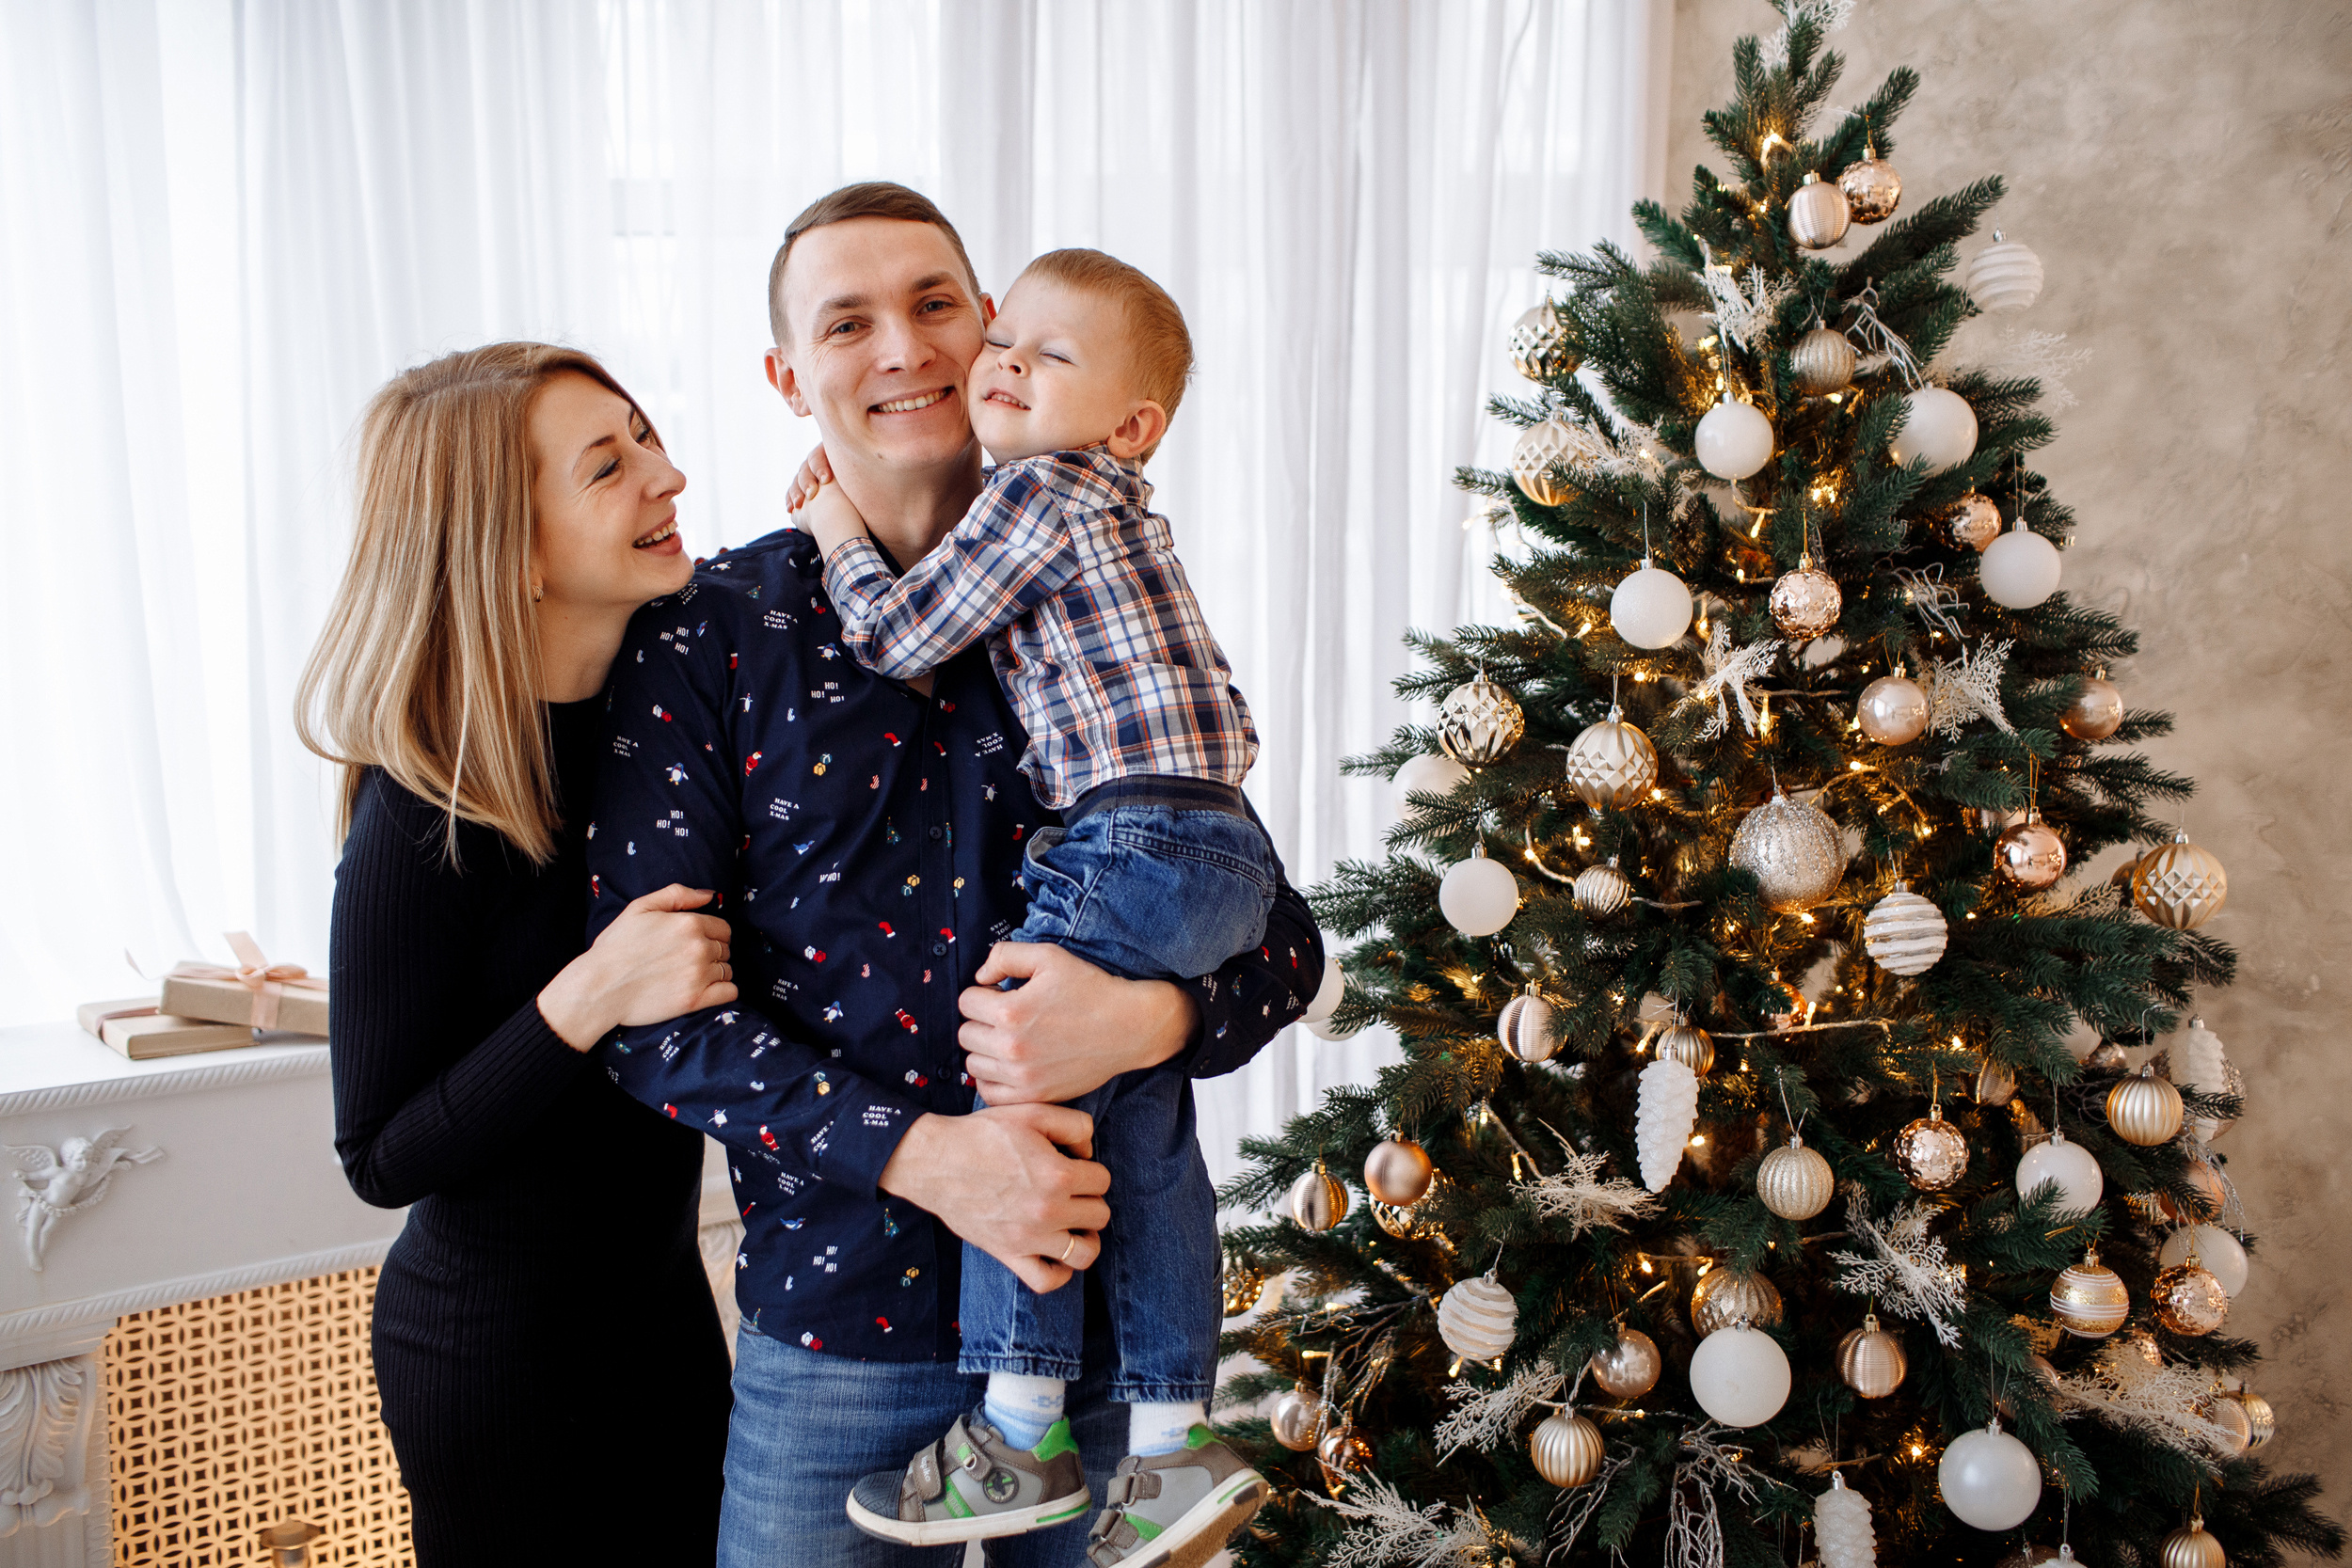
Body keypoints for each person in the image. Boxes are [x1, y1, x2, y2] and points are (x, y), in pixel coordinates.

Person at [581, 182, 1324, 1568]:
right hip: (836, 1337)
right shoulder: (708, 634)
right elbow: (658, 1026)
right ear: (787, 375)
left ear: (990, 326)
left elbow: (1277, 935)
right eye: (846, 322)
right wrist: (937, 1162)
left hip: (1112, 1359)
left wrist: (1154, 1019)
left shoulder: (1092, 567)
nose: (904, 349)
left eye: (935, 305)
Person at [796, 246, 1269, 1562]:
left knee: (1022, 1075)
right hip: (1217, 842)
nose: (998, 364)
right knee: (1144, 1129)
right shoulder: (1114, 507)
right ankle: (1174, 1441)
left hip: (1126, 832)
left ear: (1130, 426)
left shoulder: (1040, 494)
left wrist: (836, 528)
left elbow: (899, 638)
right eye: (1002, 339)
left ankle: (1019, 1423)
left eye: (1041, 356)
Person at [300, 344, 735, 1564]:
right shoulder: (421, 807)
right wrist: (591, 996)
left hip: (663, 1313)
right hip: (498, 1358)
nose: (671, 476)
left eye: (648, 438)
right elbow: (379, 1155)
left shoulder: (672, 728)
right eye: (612, 465)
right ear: (515, 549)